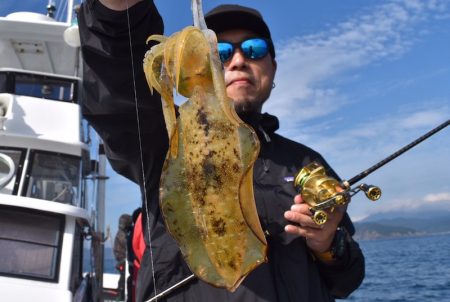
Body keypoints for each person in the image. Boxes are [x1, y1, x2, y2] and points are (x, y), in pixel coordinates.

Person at [78, 1, 365, 301]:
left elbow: (347, 279)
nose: (238, 60)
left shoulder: (306, 162)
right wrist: (116, 11)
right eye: (221, 53)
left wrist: (329, 244)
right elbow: (119, 93)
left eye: (253, 48)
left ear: (273, 66)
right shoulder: (163, 142)